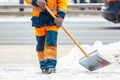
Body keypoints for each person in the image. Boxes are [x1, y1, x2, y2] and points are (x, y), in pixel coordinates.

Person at [25, 0, 68, 74]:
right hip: (38, 20)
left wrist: (60, 16)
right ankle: (43, 66)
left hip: (52, 20)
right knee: (40, 46)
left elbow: (62, 2)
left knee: (51, 43)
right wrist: (37, 1)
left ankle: (51, 66)